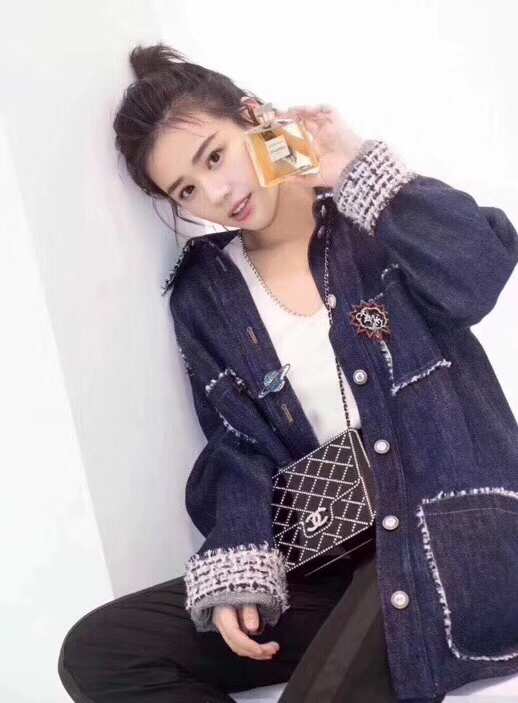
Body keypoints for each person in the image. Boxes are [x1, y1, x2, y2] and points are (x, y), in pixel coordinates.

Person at [57, 43, 518, 703]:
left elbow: (479, 273)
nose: (216, 194)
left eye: (214, 156)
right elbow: (237, 445)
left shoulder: (373, 223)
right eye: (186, 190)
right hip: (330, 562)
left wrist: (358, 170)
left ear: (254, 117)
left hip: (451, 542)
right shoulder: (206, 295)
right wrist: (238, 559)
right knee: (103, 651)